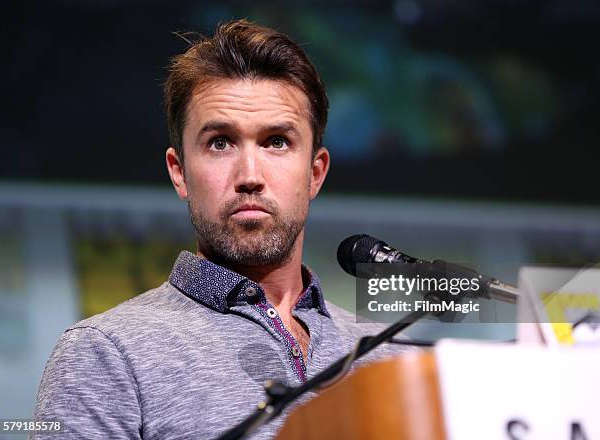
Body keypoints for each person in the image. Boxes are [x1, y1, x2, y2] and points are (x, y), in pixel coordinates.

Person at [32, 19, 411, 439]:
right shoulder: (105, 353)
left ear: (315, 173)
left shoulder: (390, 353)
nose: (250, 175)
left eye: (276, 142)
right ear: (179, 173)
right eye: (220, 143)